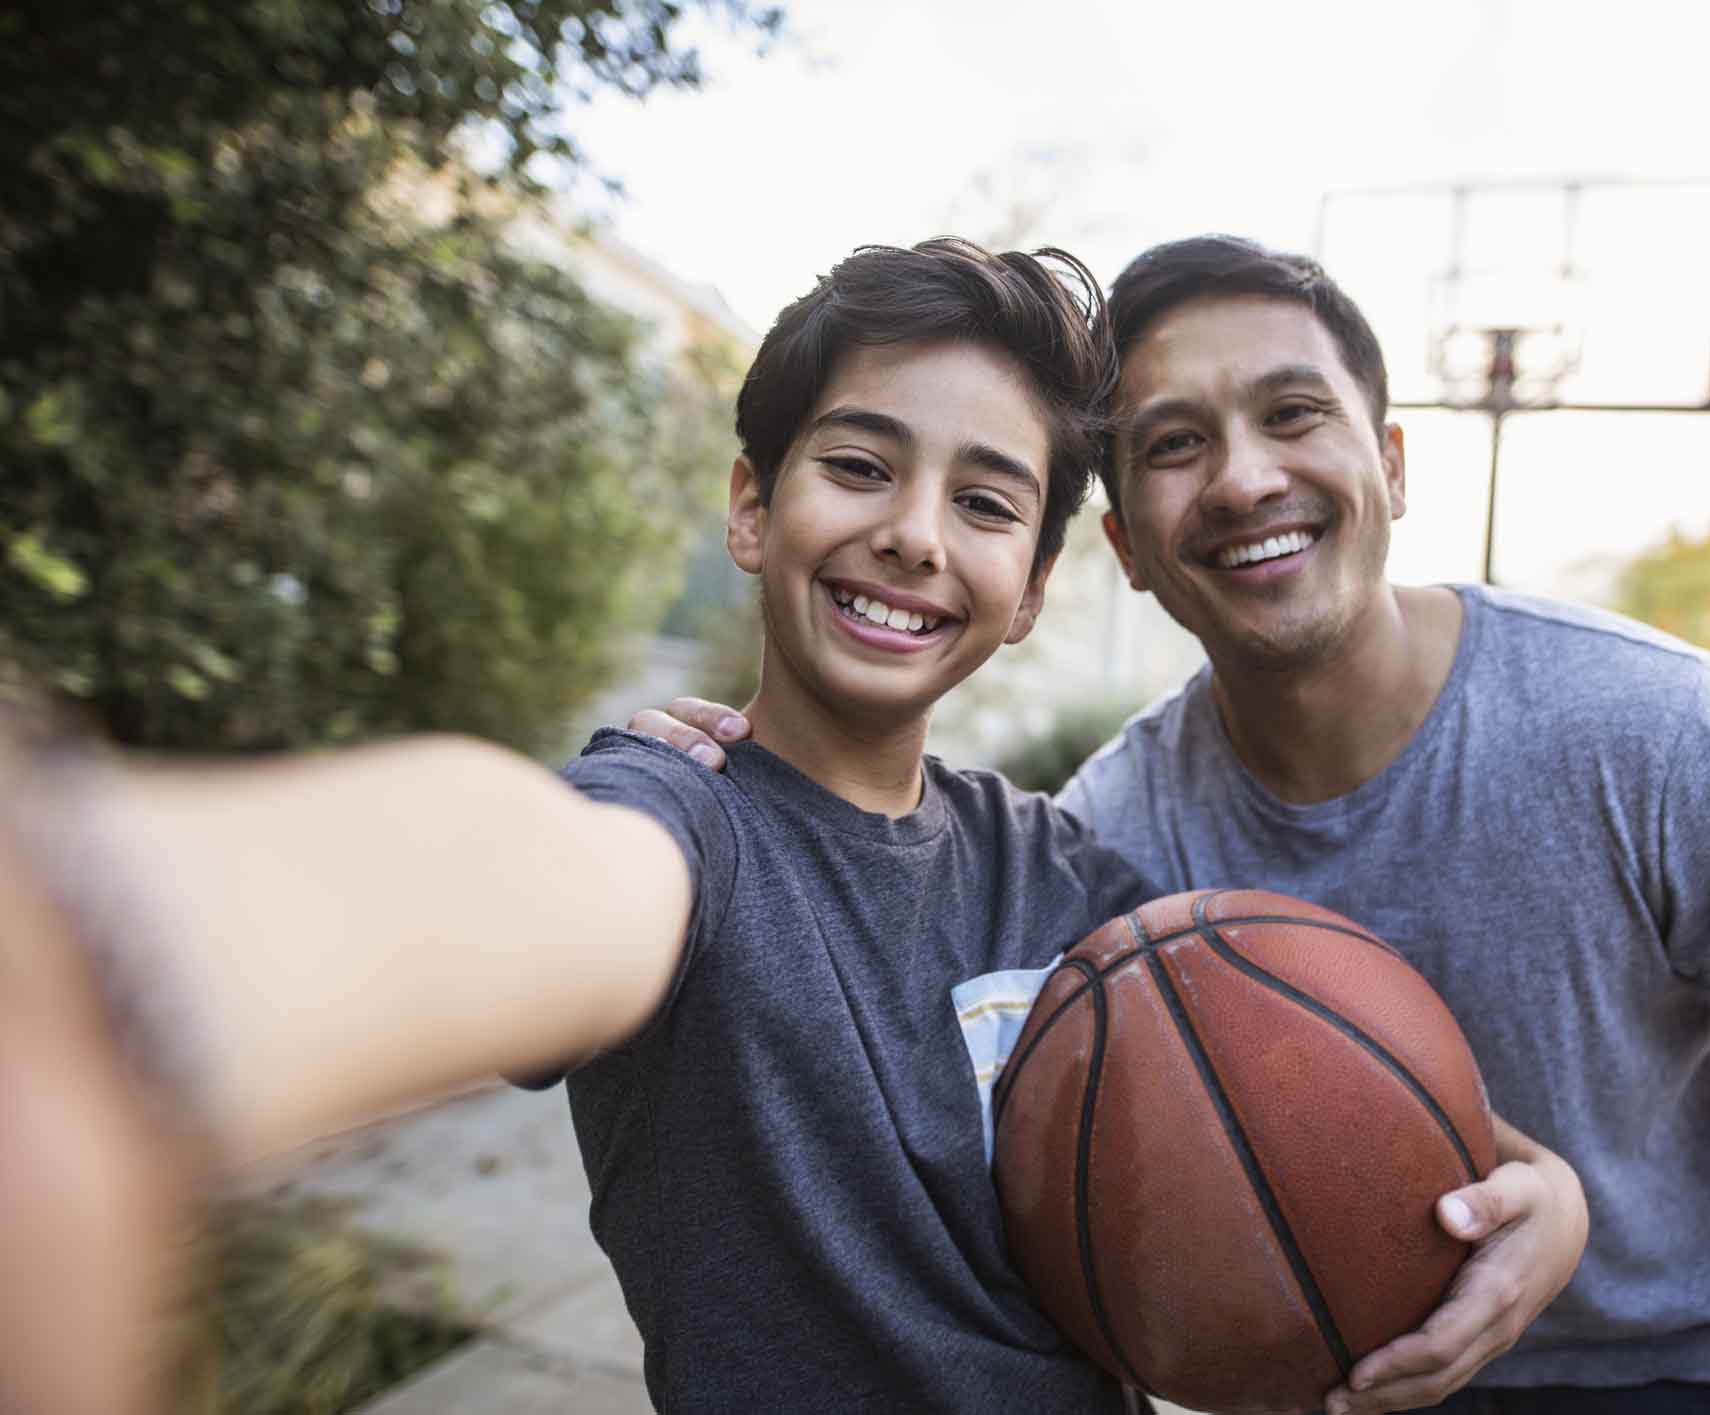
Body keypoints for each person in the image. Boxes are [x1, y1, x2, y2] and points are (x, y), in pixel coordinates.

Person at [0, 237, 1577, 1415]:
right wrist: (125, 929)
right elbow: (525, 881)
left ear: (1031, 589)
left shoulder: (1062, 871)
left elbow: (1308, 1087)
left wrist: (1541, 1196)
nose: (908, 531)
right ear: (754, 508)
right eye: (859, 465)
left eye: (983, 500)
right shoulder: (672, 827)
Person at [636, 235, 1710, 1415]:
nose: (1242, 479)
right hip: (1349, 1374)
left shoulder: (1654, 728)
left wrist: (1562, 1203)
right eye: (1173, 446)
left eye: (1293, 415)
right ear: (1128, 553)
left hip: (1689, 1362)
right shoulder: (1117, 838)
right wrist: (697, 795)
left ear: (1390, 465)